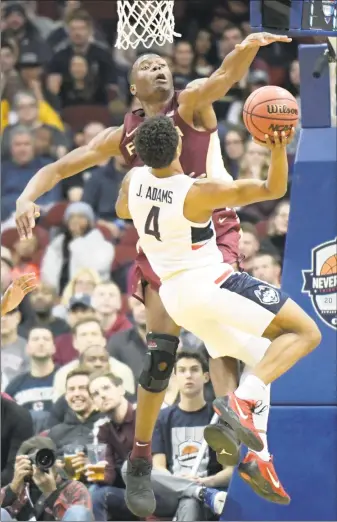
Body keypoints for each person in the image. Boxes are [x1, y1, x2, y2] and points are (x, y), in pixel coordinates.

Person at [15, 31, 292, 511]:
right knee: (161, 357)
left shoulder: (193, 101)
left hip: (212, 233)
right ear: (131, 87)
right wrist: (25, 196)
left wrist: (248, 46)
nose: (159, 66)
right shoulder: (121, 136)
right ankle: (140, 459)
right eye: (146, 63)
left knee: (219, 341)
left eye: (163, 61)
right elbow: (61, 167)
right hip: (162, 249)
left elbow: (227, 73)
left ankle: (237, 433)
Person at [116, 115, 321, 513]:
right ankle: (239, 404)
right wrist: (277, 148)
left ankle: (256, 457)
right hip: (212, 283)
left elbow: (124, 209)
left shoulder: (133, 182)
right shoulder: (196, 191)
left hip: (175, 297)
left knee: (263, 358)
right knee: (305, 333)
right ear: (178, 147)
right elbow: (273, 188)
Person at [0, 436, 93, 521]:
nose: (41, 463)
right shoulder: (19, 488)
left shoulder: (74, 489)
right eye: (34, 460)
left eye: (47, 458)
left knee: (79, 512)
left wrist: (51, 493)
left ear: (58, 463)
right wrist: (13, 488)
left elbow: (79, 518)